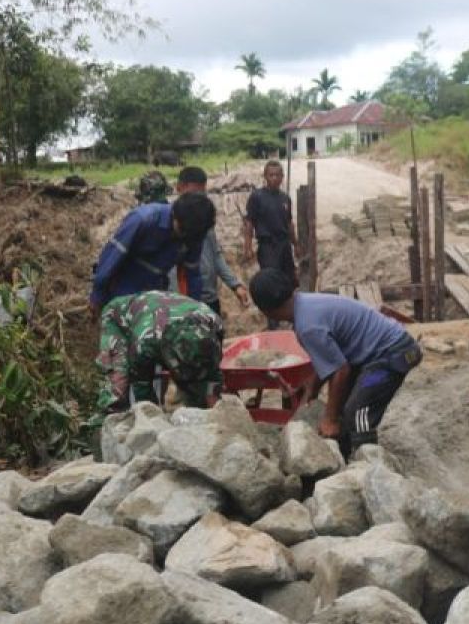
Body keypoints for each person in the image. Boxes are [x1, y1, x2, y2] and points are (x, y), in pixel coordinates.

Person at [249, 268, 422, 455]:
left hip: (393, 354)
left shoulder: (307, 326)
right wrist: (312, 388)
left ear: (265, 310)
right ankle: (344, 455)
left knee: (357, 412)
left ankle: (368, 465)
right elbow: (329, 359)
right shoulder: (305, 304)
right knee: (342, 403)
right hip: (373, 353)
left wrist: (330, 419)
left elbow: (340, 370)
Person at [94, 290, 223, 416]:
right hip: (119, 318)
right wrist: (153, 418)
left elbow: (212, 372)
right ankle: (100, 429)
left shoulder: (214, 323)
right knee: (117, 389)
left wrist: (213, 404)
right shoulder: (146, 340)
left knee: (196, 390)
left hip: (159, 314)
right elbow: (142, 386)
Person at [89, 191, 217, 318]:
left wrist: (194, 310)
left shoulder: (193, 235)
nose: (183, 236)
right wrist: (97, 295)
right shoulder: (143, 220)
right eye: (182, 230)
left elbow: (192, 276)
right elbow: (111, 258)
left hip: (153, 293)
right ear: (174, 215)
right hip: (120, 288)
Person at [167, 166, 249, 316]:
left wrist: (235, 285)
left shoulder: (204, 217)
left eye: (202, 193)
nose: (198, 199)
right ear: (179, 188)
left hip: (209, 297)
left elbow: (216, 255)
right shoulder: (171, 222)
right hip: (182, 302)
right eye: (194, 193)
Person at [243, 161, 297, 327]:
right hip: (267, 246)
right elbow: (249, 223)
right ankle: (273, 323)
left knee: (289, 281)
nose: (274, 178)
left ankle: (291, 318)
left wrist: (296, 244)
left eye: (278, 175)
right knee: (271, 284)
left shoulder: (285, 198)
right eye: (271, 175)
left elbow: (289, 224)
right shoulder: (257, 197)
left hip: (284, 245)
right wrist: (247, 247)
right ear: (265, 177)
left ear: (282, 177)